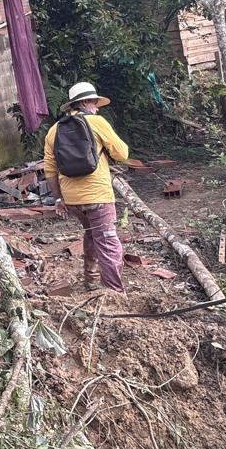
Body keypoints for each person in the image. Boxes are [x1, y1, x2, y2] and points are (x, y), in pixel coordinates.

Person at [43, 82, 130, 293]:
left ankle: (91, 281)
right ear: (84, 102)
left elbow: (50, 170)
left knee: (92, 233)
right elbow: (122, 154)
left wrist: (58, 199)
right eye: (94, 102)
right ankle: (112, 290)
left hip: (72, 200)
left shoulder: (54, 131)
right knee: (107, 240)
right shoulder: (97, 122)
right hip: (98, 196)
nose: (97, 107)